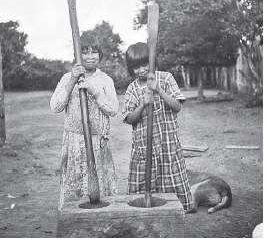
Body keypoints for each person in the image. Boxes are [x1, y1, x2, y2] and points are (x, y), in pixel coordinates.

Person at [50, 32, 119, 210]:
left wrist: (94, 91)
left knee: (100, 188)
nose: (89, 56)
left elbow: (113, 109)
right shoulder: (67, 78)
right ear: (77, 55)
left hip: (98, 143)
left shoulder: (105, 80)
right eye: (85, 52)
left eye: (94, 52)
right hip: (74, 143)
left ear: (100, 55)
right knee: (76, 189)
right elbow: (55, 106)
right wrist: (73, 80)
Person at [122, 42, 193, 212]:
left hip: (167, 147)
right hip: (144, 149)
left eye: (145, 64)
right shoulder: (132, 88)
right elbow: (129, 119)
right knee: (142, 194)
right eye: (136, 67)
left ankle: (178, 210)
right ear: (131, 70)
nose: (142, 70)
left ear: (152, 62)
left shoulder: (166, 78)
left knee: (172, 186)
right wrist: (141, 105)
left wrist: (159, 90)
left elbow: (177, 106)